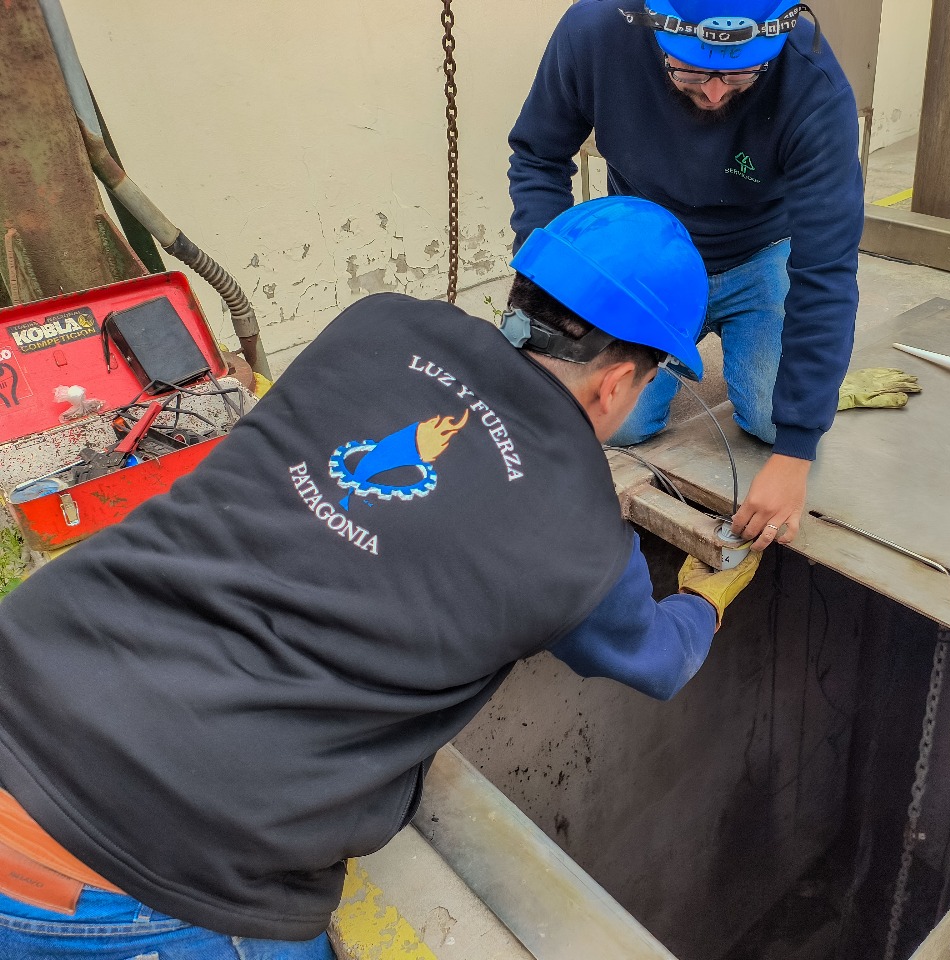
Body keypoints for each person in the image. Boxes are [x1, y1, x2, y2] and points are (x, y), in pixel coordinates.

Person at [0, 196, 760, 958]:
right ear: (618, 383)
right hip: (155, 853)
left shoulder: (381, 324)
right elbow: (659, 660)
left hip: (32, 669)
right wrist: (705, 600)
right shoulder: (580, 532)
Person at [508, 0, 864, 553]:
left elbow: (827, 270)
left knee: (774, 420)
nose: (716, 93)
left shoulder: (814, 84)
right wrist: (553, 293)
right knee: (619, 423)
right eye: (692, 70)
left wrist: (797, 450)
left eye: (742, 73)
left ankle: (765, 357)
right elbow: (538, 156)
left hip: (758, 250)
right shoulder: (595, 31)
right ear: (651, 26)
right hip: (647, 250)